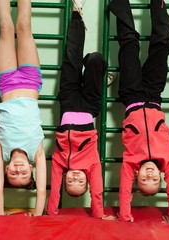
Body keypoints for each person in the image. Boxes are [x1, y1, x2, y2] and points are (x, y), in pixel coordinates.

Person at [108, 0, 169, 223]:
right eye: (154, 181)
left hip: (131, 95)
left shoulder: (131, 162)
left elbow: (124, 191)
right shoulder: (167, 160)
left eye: (144, 181)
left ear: (135, 176)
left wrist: (125, 215)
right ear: (162, 176)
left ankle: (118, 2)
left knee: (129, 42)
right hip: (153, 93)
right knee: (164, 42)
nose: (149, 176)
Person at [47, 1, 114, 220]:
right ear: (86, 179)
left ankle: (77, 13)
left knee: (71, 59)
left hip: (67, 102)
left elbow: (54, 190)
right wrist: (100, 215)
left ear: (65, 177)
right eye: (80, 182)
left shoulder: (59, 162)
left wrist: (51, 214)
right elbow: (97, 193)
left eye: (70, 182)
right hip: (88, 106)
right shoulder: (92, 163)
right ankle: (97, 69)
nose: (75, 178)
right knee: (96, 59)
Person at [0, 0, 46, 216]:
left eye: (13, 175)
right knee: (24, 26)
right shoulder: (37, 152)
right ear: (31, 169)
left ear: (6, 170)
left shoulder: (1, 151)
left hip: (6, 83)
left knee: (6, 27)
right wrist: (36, 214)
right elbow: (41, 190)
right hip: (30, 81)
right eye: (23, 175)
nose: (18, 171)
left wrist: (1, 214)